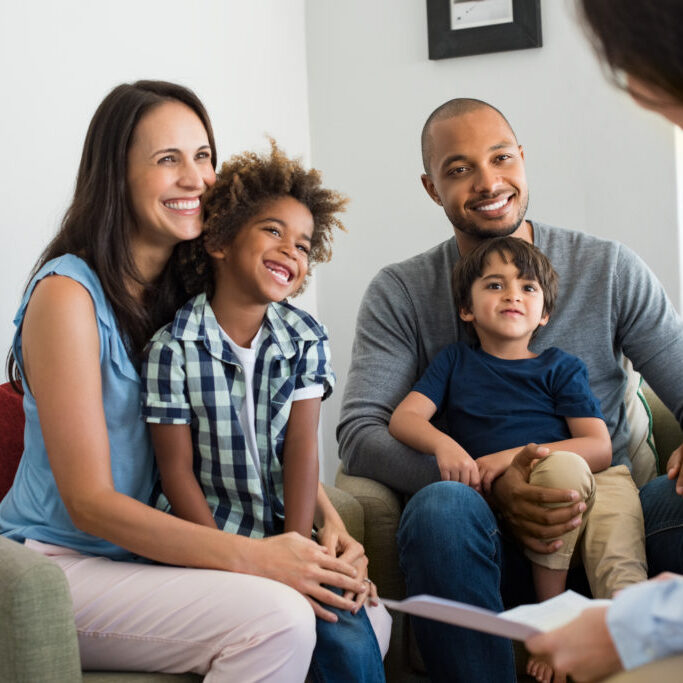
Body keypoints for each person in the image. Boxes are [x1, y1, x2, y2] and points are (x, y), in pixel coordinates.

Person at [0, 80, 379, 681]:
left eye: (202, 156)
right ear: (116, 176)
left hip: (152, 556)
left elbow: (256, 433)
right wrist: (258, 560)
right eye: (167, 159)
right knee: (279, 616)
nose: (196, 179)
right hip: (59, 563)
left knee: (360, 616)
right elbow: (89, 503)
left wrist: (324, 531)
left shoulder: (194, 296)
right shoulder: (66, 296)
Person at [337, 96, 683, 681]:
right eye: (458, 168)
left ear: (523, 159)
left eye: (500, 158)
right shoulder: (402, 292)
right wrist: (492, 484)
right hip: (479, 533)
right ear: (431, 188)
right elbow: (361, 433)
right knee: (442, 507)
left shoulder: (608, 268)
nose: (488, 181)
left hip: (607, 513)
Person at [141, 140, 390, 681]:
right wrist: (227, 559)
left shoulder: (305, 338)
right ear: (220, 240)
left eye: (302, 244)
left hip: (282, 532)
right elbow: (175, 472)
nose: (290, 252)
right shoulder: (172, 349)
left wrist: (298, 552)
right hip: (201, 537)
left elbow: (302, 449)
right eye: (273, 231)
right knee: (327, 630)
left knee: (350, 618)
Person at [390, 236, 646, 683]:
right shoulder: (454, 362)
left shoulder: (559, 366)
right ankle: (549, 627)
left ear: (545, 313)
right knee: (546, 475)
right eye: (494, 285)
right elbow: (405, 418)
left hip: (582, 484)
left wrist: (509, 458)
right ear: (466, 309)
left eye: (528, 288)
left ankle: (604, 644)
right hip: (502, 516)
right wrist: (444, 445)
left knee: (609, 549)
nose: (512, 294)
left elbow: (597, 445)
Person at [520, 2, 683, 680]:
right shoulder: (442, 349)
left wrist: (637, 624)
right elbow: (371, 431)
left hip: (606, 479)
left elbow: (596, 440)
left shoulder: (602, 279)